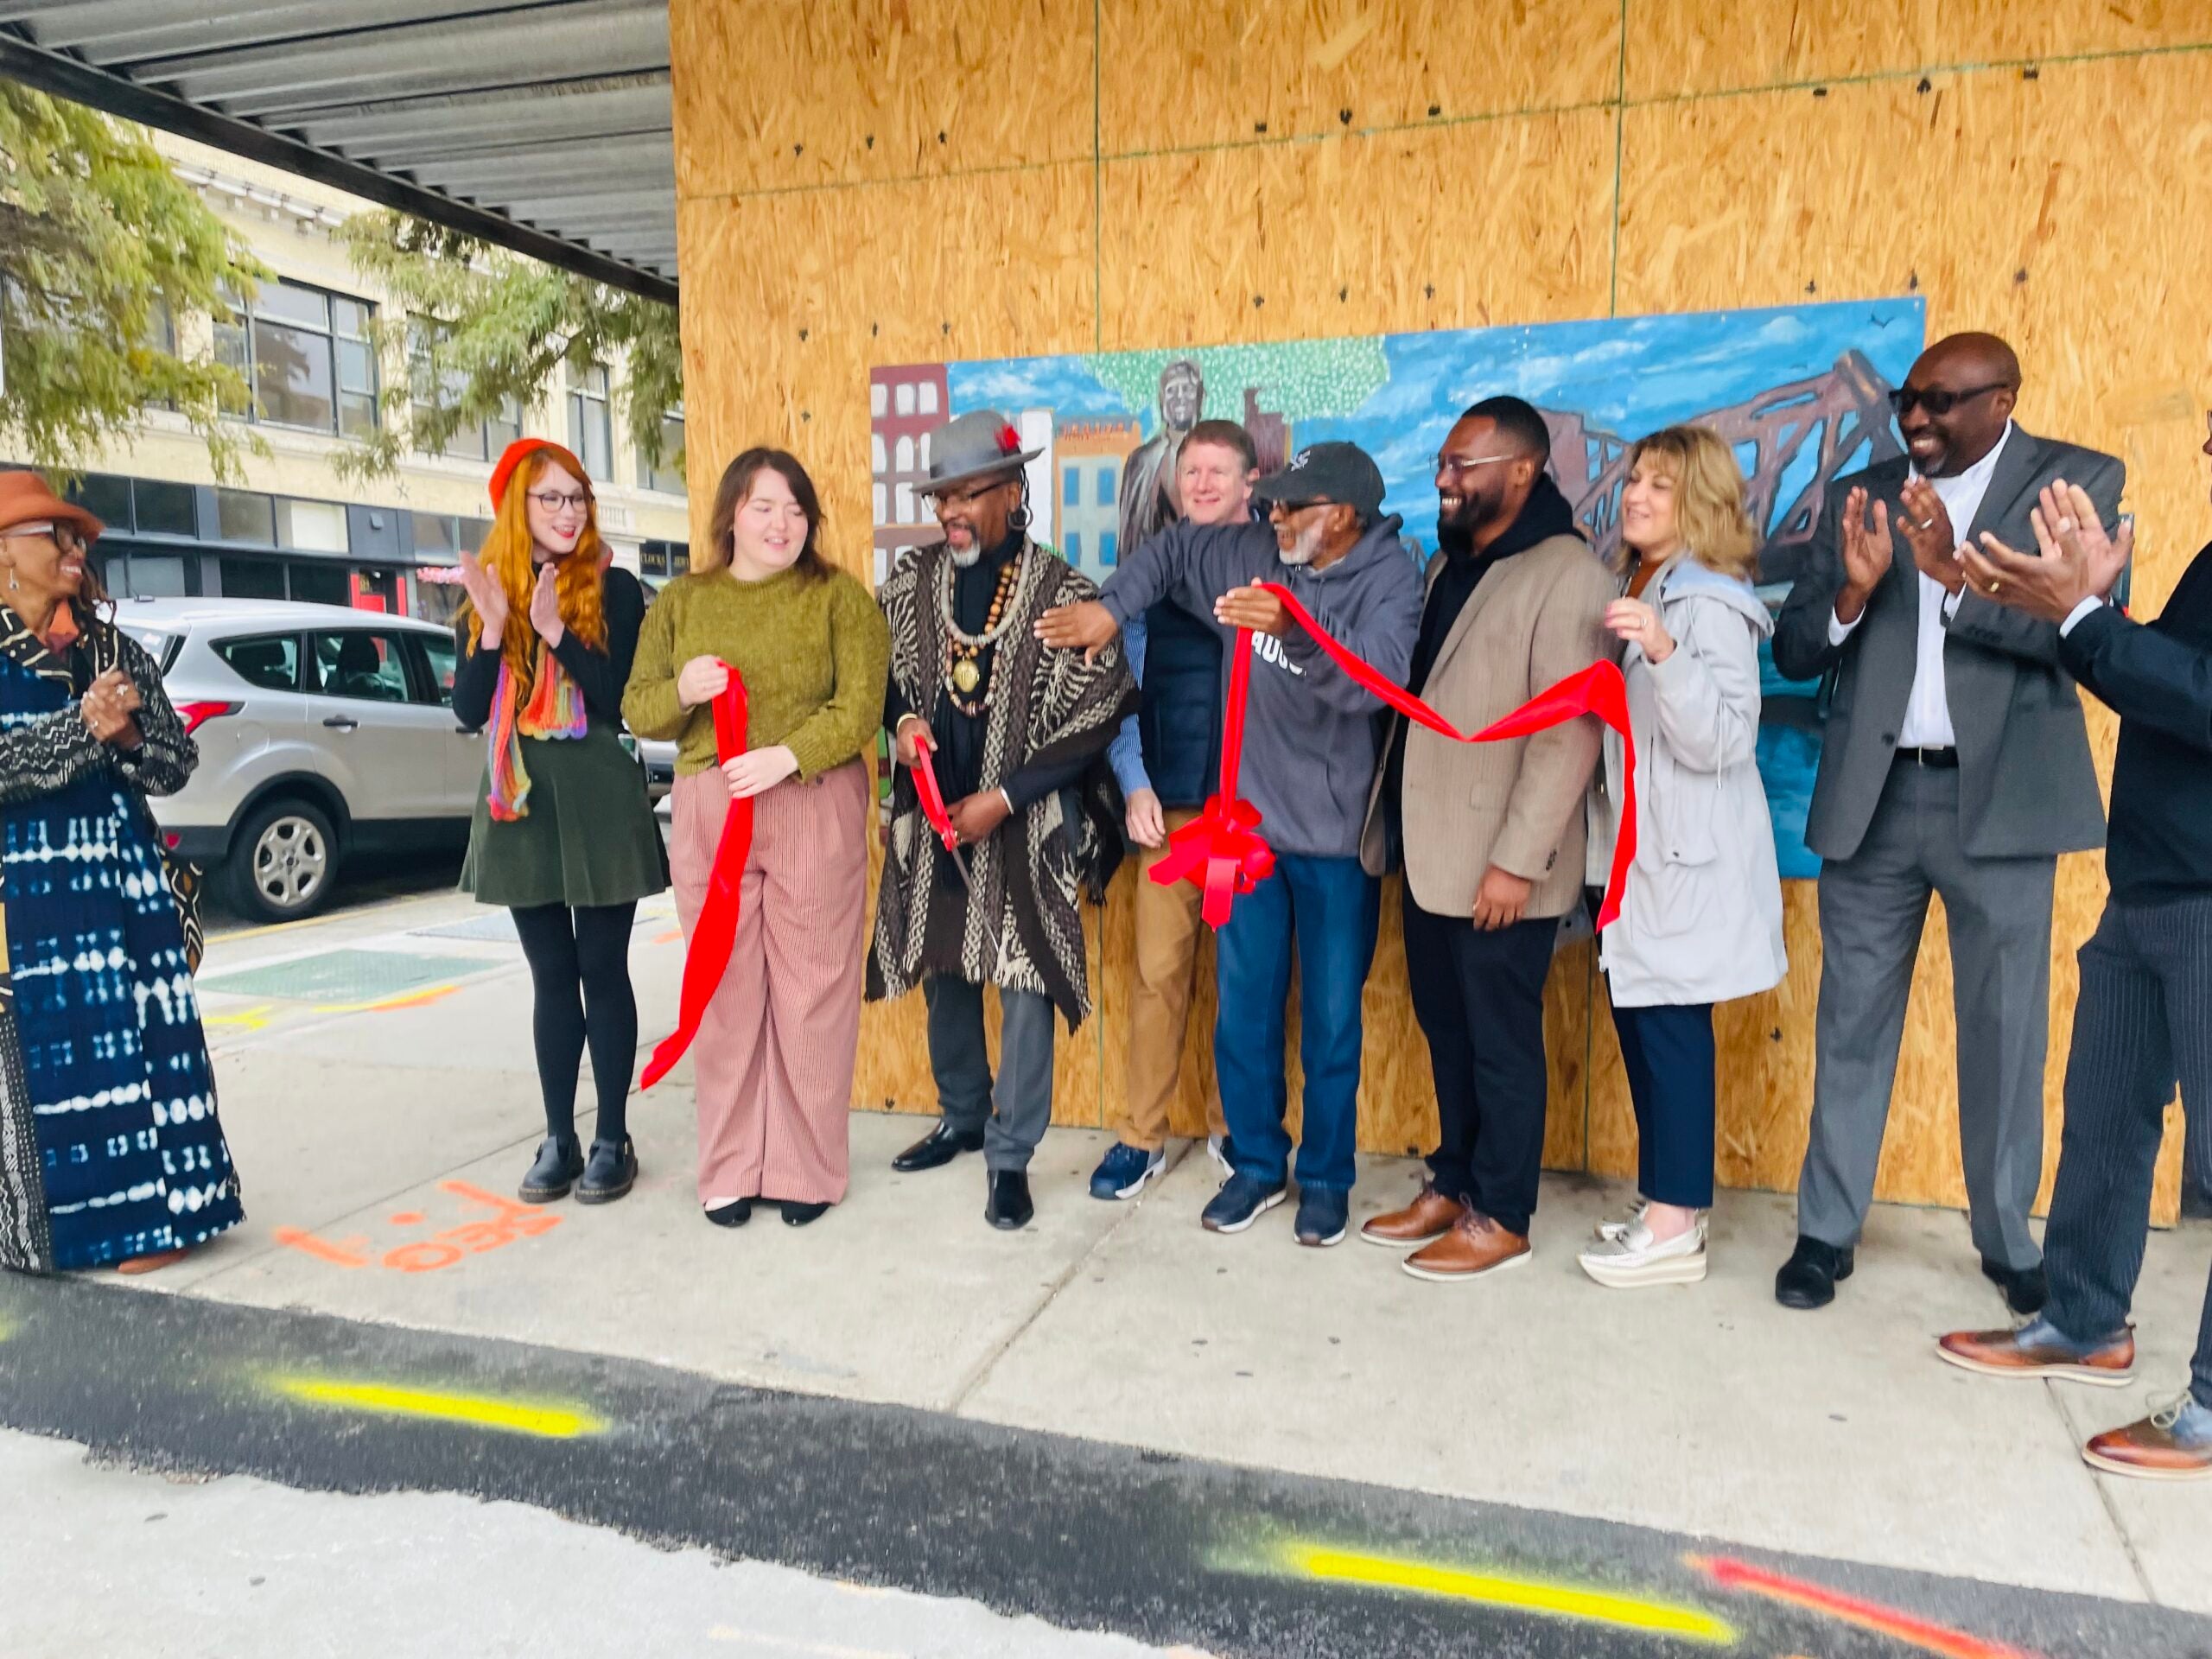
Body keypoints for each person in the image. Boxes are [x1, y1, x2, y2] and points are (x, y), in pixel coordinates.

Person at [1769, 333, 2122, 1313]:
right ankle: (1824, 1233)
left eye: (1939, 402)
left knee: (2005, 1034)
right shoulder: (1866, 490)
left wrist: (1953, 581)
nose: (1914, 420)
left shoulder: (2076, 482)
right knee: (1850, 1023)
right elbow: (1798, 648)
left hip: (2002, 802)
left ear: (2002, 398)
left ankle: (2009, 1240)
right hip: (1874, 801)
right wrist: (1850, 590)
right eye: (1906, 401)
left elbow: (2084, 633)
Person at [1040, 442, 1425, 1248]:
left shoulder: (1391, 575)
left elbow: (1380, 683)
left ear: (1345, 515)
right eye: (1274, 502)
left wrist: (1301, 627)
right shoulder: (1254, 551)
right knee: (1243, 1013)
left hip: (1332, 843)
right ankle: (1255, 1165)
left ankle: (1324, 1180)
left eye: (1293, 506)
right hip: (1248, 835)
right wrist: (1113, 608)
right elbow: (1173, 549)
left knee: (1328, 1023)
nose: (1272, 516)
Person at [1936, 461, 2212, 1480]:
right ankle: (2084, 1321)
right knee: (2102, 1118)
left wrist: (2090, 615)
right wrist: (2085, 611)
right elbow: (2151, 684)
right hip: (2151, 886)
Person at [1357, 397, 1616, 1281]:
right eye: (1441, 463)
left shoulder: (1568, 575)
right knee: (1446, 1029)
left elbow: (1569, 732)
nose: (1443, 479)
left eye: (1462, 466)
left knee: (1500, 1041)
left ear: (1522, 470)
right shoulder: (1452, 567)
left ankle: (1502, 1214)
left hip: (1501, 866)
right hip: (1431, 856)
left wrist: (1517, 861)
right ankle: (1455, 1180)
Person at [868, 410, 1135, 1232]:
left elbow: (1095, 716)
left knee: (1023, 984)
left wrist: (1006, 799)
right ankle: (962, 1114)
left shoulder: (1064, 595)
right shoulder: (911, 585)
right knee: (944, 964)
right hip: (938, 812)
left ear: (1013, 493)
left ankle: (1010, 1157)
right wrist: (903, 724)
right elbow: (875, 670)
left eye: (967, 494)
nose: (951, 511)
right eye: (941, 496)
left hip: (1027, 819)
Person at [623, 449, 888, 1230]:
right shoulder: (682, 602)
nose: (782, 524)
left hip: (809, 797)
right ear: (731, 512)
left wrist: (788, 754)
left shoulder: (839, 598)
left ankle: (808, 1168)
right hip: (714, 805)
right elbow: (641, 710)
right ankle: (730, 1166)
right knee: (726, 990)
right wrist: (683, 691)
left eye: (796, 510)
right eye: (765, 506)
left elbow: (862, 702)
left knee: (815, 989)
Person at [0, 471, 240, 1274]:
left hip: (126, 880)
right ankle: (78, 1233)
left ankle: (177, 1216)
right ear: (4, 556)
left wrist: (131, 739)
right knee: (62, 1062)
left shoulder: (114, 648)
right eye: (53, 537)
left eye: (77, 540)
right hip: (26, 901)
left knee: (154, 1045)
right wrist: (82, 729)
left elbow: (176, 764)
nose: (74, 551)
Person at [1576, 427, 1788, 1288]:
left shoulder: (1702, 605)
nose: (1634, 497)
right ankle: (1669, 1206)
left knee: (1668, 1033)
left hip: (1679, 856)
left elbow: (1726, 739)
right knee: (1644, 1022)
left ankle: (1672, 1229)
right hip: (1649, 854)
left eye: (1659, 487)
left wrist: (1662, 653)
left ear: (1696, 502)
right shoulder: (1651, 582)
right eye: (1633, 482)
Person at [454, 438, 666, 1208]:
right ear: (519, 507)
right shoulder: (488, 588)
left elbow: (619, 699)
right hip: (521, 800)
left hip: (598, 792)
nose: (569, 511)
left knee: (602, 969)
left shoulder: (615, 588)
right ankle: (559, 1137)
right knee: (552, 976)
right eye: (552, 498)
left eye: (577, 497)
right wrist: (491, 630)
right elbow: (468, 710)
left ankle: (613, 1137)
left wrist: (555, 635)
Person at [1088, 418, 1257, 1200]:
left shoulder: (1271, 573)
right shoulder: (1145, 580)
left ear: (1250, 483)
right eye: (1192, 471)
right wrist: (1134, 785)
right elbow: (1120, 697)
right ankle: (1142, 1138)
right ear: (1172, 482)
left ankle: (1238, 1130)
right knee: (1160, 977)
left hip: (1251, 820)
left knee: (1247, 982)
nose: (1202, 483)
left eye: (1219, 470)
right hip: (1170, 818)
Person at [1116, 359, 1205, 553]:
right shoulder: (1141, 461)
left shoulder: (1216, 456)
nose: (1180, 397)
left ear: (1199, 397)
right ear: (1162, 400)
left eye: (1187, 389)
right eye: (1172, 390)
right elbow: (1130, 535)